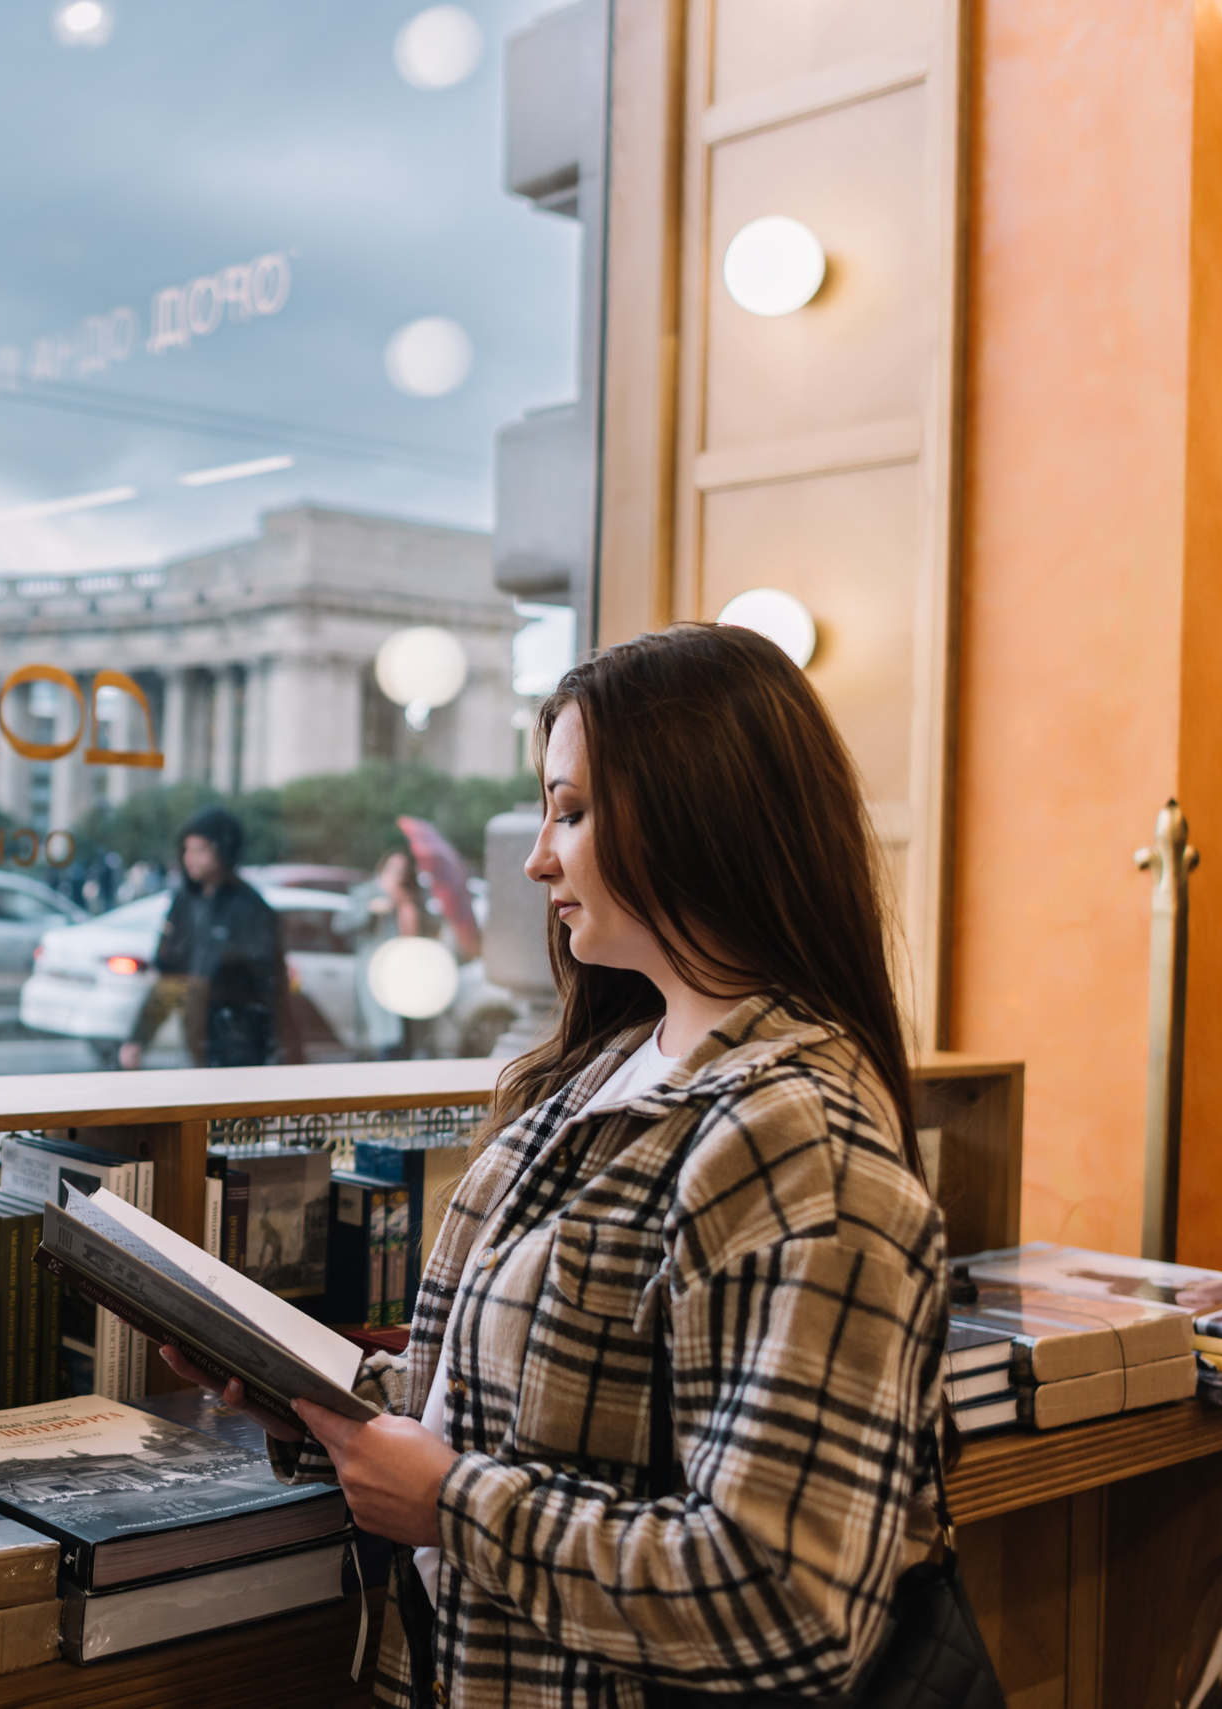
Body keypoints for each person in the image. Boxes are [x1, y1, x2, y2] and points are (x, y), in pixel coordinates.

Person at [165, 625, 957, 1707]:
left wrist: (449, 1502)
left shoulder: (796, 1141)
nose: (539, 855)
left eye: (572, 811)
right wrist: (316, 1403)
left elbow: (786, 1597)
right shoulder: (604, 1074)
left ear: (697, 815)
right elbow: (550, 1406)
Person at [118, 805, 285, 1069]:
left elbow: (267, 983)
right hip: (199, 1045)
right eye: (187, 850)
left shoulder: (250, 907)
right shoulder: (184, 901)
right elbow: (170, 977)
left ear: (224, 851)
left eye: (200, 850)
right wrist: (138, 1038)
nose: (190, 858)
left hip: (244, 1047)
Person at [337, 846, 442, 1060]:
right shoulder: (368, 893)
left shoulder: (414, 897)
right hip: (381, 975)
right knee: (386, 1039)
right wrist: (371, 909)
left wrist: (411, 905)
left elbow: (431, 929)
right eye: (393, 869)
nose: (398, 875)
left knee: (411, 1038)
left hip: (410, 974)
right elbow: (341, 924)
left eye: (403, 871)